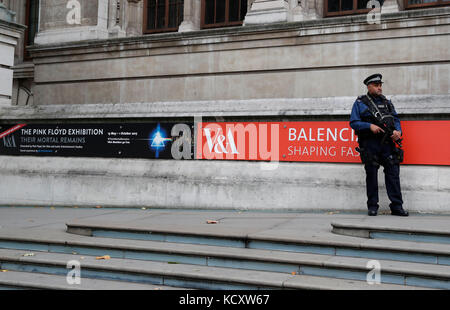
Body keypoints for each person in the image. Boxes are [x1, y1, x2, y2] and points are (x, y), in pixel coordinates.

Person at [350, 73, 409, 216]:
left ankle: (397, 206)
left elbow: (395, 119)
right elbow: (354, 122)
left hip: (388, 143)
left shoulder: (387, 102)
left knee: (393, 174)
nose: (379, 88)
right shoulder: (360, 103)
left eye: (380, 85)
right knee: (371, 175)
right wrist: (369, 126)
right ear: (368, 87)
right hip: (370, 144)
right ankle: (372, 206)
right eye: (376, 85)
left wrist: (397, 131)